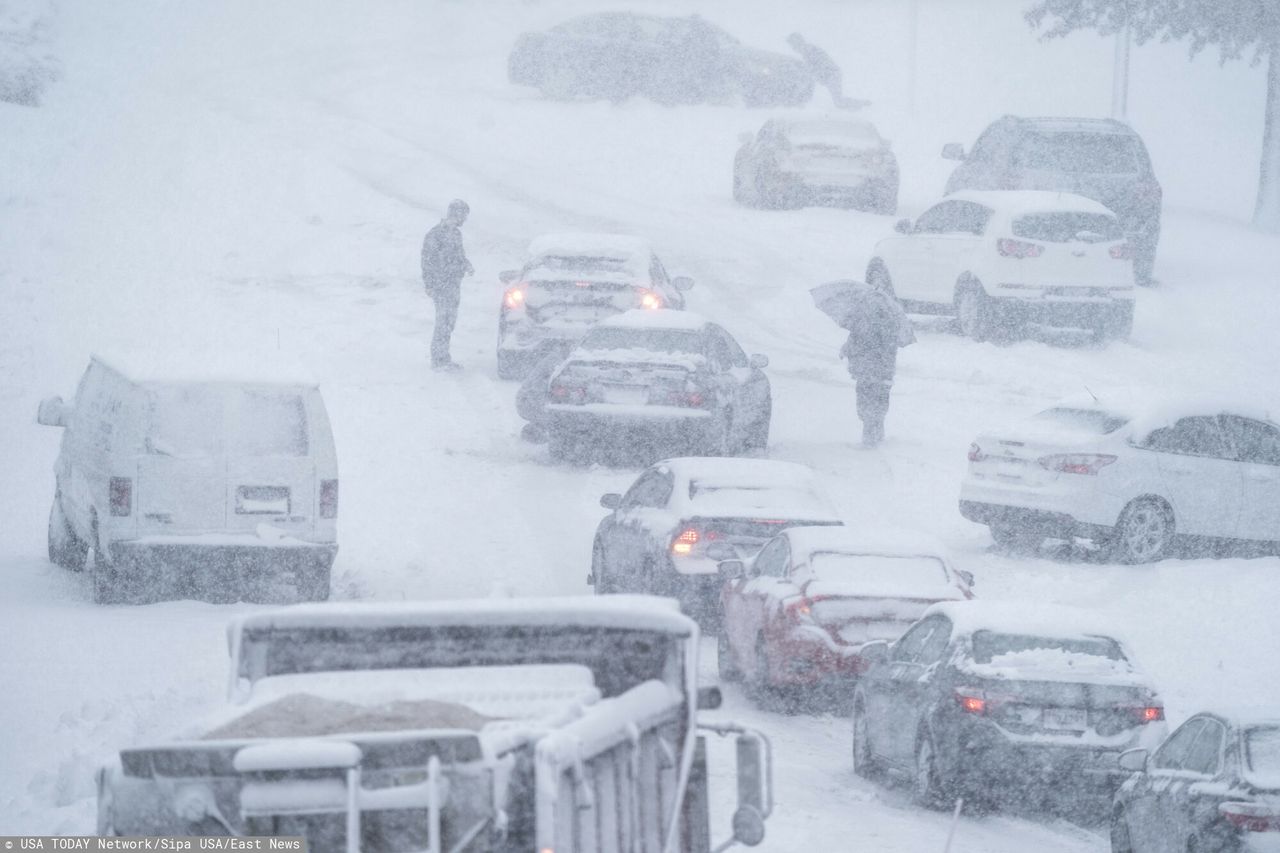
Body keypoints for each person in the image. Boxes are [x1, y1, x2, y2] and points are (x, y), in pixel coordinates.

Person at [839, 278, 913, 447]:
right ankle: (877, 434)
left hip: (867, 371)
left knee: (866, 404)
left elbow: (858, 342)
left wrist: (847, 349)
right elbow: (888, 346)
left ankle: (869, 438)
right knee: (879, 403)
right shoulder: (891, 318)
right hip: (884, 372)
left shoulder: (864, 318)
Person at [421, 199, 474, 370]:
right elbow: (427, 260)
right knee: (443, 321)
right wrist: (429, 284)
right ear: (456, 214)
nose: (465, 219)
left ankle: (444, 357)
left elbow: (458, 255)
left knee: (449, 321)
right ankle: (438, 360)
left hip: (453, 284)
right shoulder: (436, 234)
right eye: (463, 215)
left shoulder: (456, 234)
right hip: (441, 284)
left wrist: (466, 264)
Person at [787, 33, 869, 111]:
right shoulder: (807, 51)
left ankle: (862, 105)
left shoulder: (810, 51)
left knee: (838, 102)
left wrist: (815, 75)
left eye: (793, 45)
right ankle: (857, 108)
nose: (793, 49)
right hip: (830, 75)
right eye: (792, 46)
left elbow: (818, 66)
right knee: (838, 101)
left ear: (798, 42)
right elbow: (813, 69)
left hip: (832, 75)